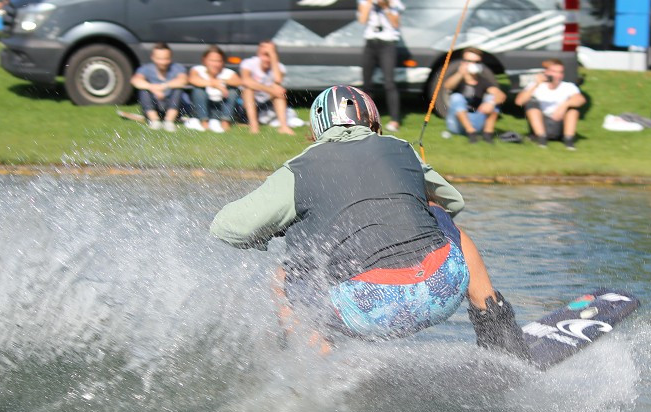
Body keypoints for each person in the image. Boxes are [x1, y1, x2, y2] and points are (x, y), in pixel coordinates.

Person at [209, 85, 530, 359]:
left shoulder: (298, 169)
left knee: (282, 276)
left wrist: (272, 232)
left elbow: (226, 227)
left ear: (316, 133)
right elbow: (453, 202)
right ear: (373, 123)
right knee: (446, 224)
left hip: (361, 311)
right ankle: (502, 340)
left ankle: (318, 376)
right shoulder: (401, 149)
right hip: (442, 290)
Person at [357, 0, 405, 132]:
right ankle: (367, 118)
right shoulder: (365, 1)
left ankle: (395, 120)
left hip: (387, 44)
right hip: (371, 43)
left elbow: (396, 24)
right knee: (366, 83)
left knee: (389, 82)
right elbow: (362, 20)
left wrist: (386, 6)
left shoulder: (394, 2)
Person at [514, 58, 586, 150]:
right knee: (531, 104)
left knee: (573, 110)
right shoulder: (536, 85)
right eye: (554, 72)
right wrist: (536, 84)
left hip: (559, 123)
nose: (557, 75)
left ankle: (569, 141)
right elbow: (519, 102)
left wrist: (565, 105)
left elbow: (581, 100)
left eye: (560, 72)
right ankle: (541, 139)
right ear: (546, 72)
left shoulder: (568, 86)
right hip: (542, 123)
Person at [443, 48, 506, 143]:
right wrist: (460, 73)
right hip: (457, 124)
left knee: (492, 98)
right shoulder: (458, 79)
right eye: (469, 61)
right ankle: (471, 133)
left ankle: (487, 135)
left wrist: (491, 103)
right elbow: (447, 86)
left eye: (476, 62)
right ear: (463, 62)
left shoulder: (482, 81)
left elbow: (501, 95)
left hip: (476, 120)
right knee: (456, 97)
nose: (473, 64)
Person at [239, 40, 294, 135]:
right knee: (248, 90)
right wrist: (270, 90)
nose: (266, 58)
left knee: (278, 89)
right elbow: (246, 81)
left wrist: (273, 58)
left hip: (266, 104)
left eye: (270, 54)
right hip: (245, 104)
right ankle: (254, 126)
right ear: (258, 53)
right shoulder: (248, 63)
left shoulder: (279, 67)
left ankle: (284, 127)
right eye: (264, 54)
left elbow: (278, 79)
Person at [130, 42, 188, 131]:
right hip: (154, 105)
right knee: (143, 90)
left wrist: (164, 86)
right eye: (159, 59)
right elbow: (135, 80)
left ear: (170, 58)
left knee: (178, 89)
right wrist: (152, 87)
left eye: (166, 59)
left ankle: (169, 121)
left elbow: (183, 80)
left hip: (173, 106)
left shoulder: (177, 68)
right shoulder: (146, 69)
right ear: (153, 57)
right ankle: (154, 121)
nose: (163, 62)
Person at [187, 45, 242, 133]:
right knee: (198, 91)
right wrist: (215, 84)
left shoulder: (228, 73)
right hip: (203, 107)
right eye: (212, 60)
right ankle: (204, 123)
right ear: (204, 60)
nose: (215, 64)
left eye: (218, 61)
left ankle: (225, 122)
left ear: (223, 62)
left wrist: (221, 81)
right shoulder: (198, 70)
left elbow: (238, 81)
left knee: (232, 91)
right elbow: (193, 79)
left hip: (219, 109)